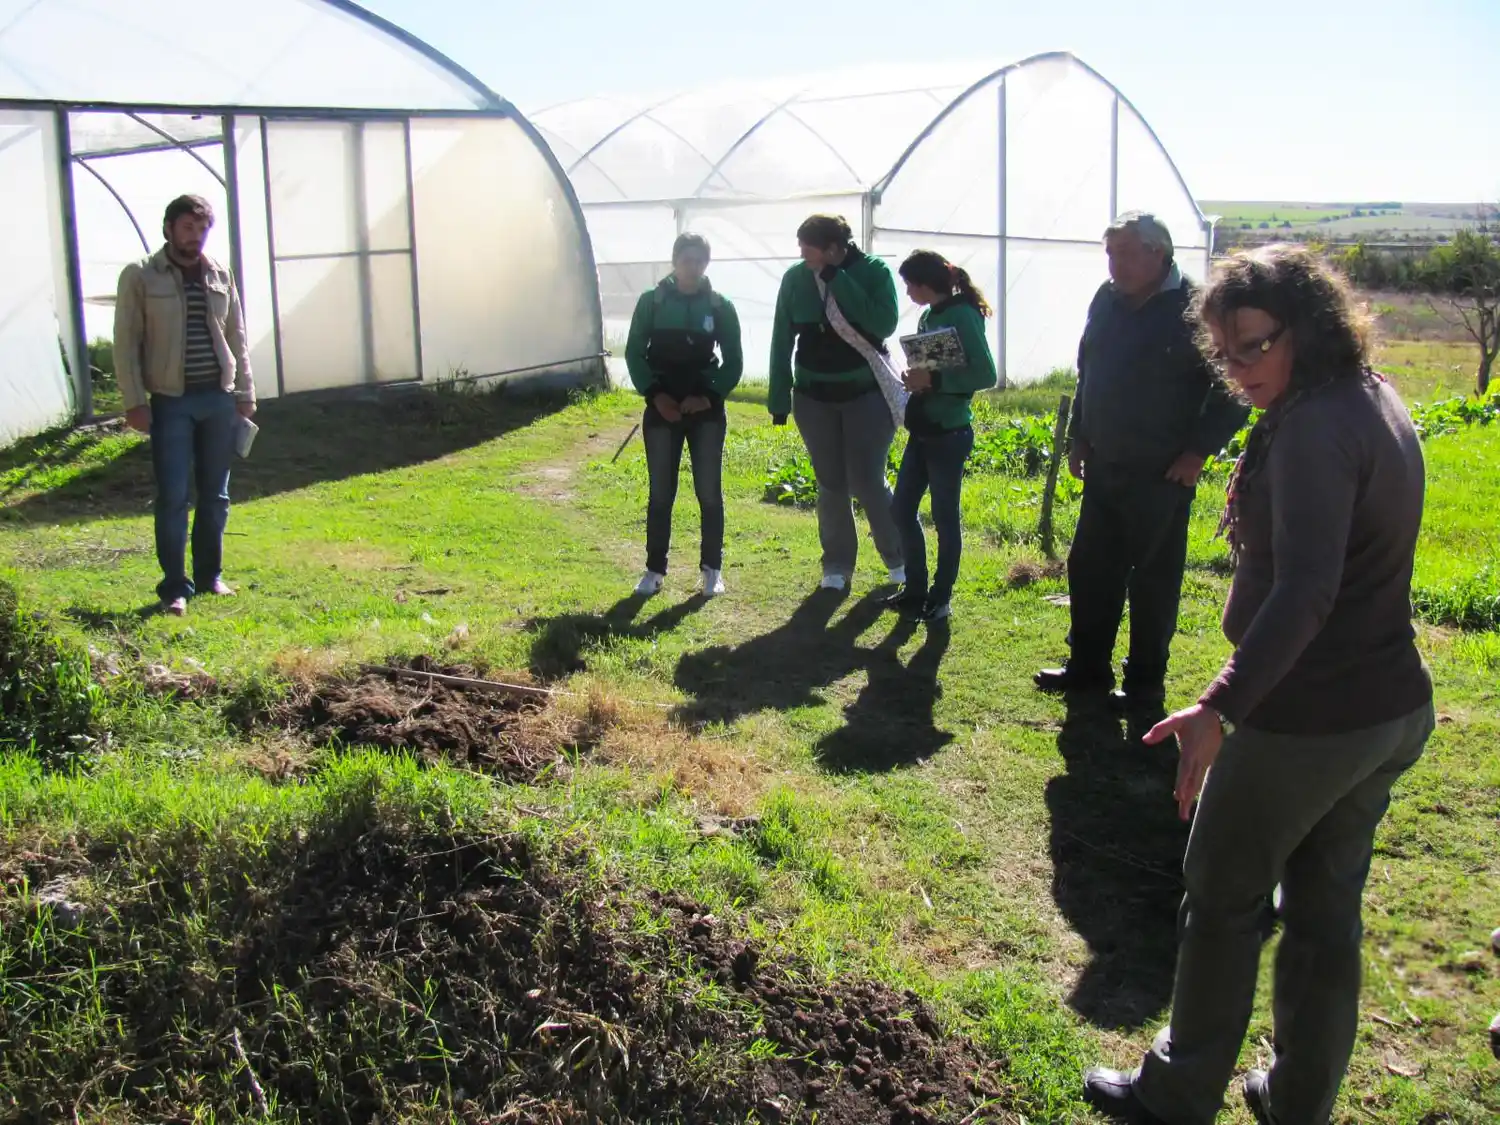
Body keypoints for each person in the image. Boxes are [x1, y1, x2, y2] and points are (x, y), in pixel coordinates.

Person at [1083, 246, 1435, 1125]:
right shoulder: (1368, 395)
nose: (1236, 371)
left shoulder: (1317, 428)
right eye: (1224, 354)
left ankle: (1178, 1089)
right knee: (1322, 914)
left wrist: (1220, 706)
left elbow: (1307, 590)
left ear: (1308, 329)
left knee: (1222, 894)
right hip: (1386, 709)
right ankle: (1297, 1097)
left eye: (1253, 347)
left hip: (1310, 718)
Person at [1035, 212, 1249, 711]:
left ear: (1159, 253)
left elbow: (1233, 388)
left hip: (1163, 469)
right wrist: (1079, 436)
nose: (1116, 265)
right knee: (1090, 568)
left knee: (1152, 578)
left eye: (1127, 253)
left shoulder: (1196, 308)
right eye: (1111, 254)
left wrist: (1199, 450)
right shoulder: (1106, 300)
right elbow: (1088, 371)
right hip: (1105, 462)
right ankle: (1087, 667)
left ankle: (1144, 683)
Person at [114, 195, 255, 617]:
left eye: (202, 230)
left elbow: (237, 335)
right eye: (187, 228)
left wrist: (245, 392)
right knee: (174, 496)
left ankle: (210, 574)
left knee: (216, 494)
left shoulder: (218, 273)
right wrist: (135, 402)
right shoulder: (141, 275)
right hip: (171, 400)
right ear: (169, 229)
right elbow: (126, 343)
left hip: (217, 397)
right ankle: (175, 587)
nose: (195, 238)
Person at [769, 214, 904, 592]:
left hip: (866, 395)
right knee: (830, 483)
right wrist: (779, 396)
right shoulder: (796, 279)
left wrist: (836, 279)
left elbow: (883, 322)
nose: (800, 254)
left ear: (832, 248)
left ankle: (898, 559)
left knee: (867, 480)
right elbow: (781, 337)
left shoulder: (873, 272)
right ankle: (837, 566)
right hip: (813, 398)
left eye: (807, 247)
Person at [624, 232, 743, 597]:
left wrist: (707, 397)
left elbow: (734, 361)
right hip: (662, 409)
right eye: (686, 259)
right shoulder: (652, 302)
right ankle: (654, 570)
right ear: (674, 261)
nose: (692, 267)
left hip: (704, 411)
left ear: (706, 264)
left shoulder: (720, 306)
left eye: (699, 261)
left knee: (709, 491)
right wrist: (656, 396)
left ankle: (712, 571)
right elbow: (633, 353)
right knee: (661, 492)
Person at [886, 250, 998, 623]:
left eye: (909, 285)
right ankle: (915, 590)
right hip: (923, 429)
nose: (907, 293)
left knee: (944, 516)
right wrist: (917, 379)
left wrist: (934, 380)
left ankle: (941, 596)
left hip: (950, 432)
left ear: (924, 283)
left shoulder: (963, 314)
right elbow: (932, 366)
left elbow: (984, 375)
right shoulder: (929, 315)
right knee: (901, 509)